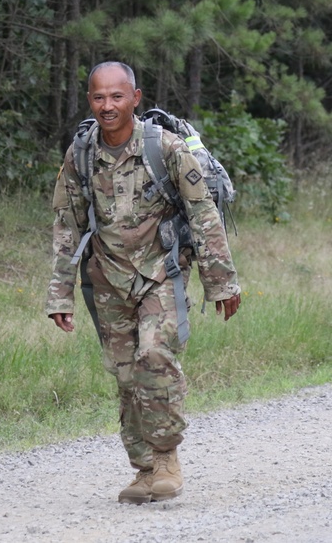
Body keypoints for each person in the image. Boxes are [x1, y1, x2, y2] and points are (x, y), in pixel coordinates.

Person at [46, 61, 241, 504]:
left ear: (135, 97)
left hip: (160, 275)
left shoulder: (166, 149)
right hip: (107, 279)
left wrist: (221, 283)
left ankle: (167, 457)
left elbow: (203, 215)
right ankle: (144, 469)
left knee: (154, 355)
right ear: (90, 100)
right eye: (99, 97)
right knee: (125, 376)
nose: (107, 105)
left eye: (117, 96)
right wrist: (60, 292)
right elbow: (67, 225)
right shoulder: (81, 153)